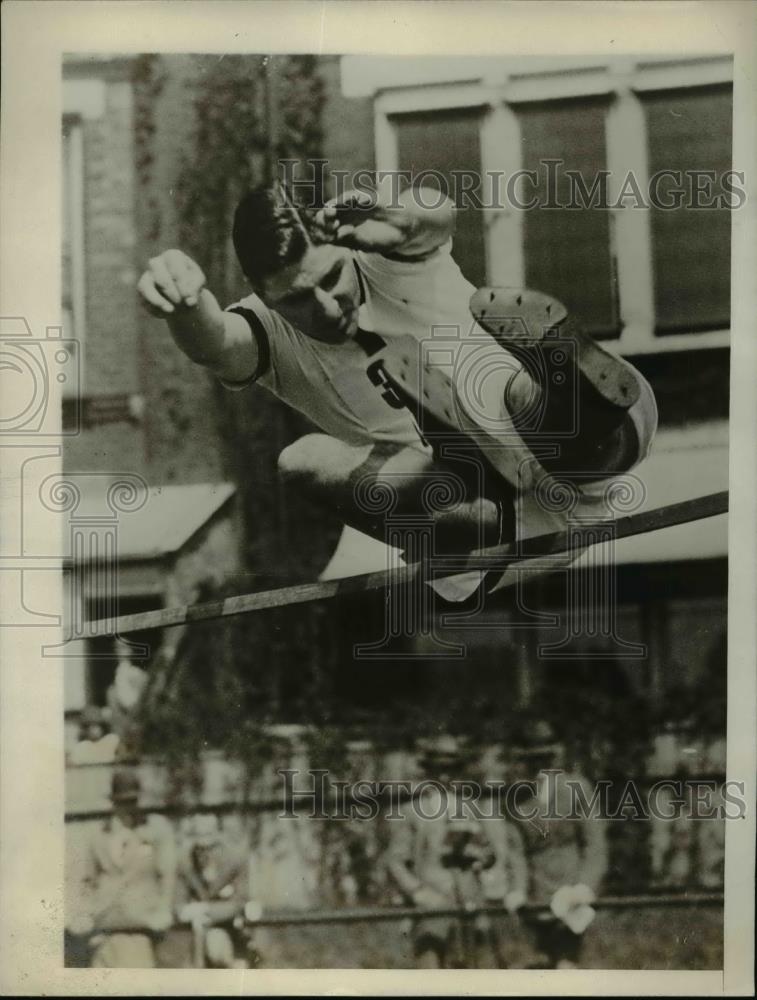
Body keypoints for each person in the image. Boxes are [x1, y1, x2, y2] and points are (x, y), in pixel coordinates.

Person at [137, 181, 656, 592]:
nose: (325, 307)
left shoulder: (383, 255)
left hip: (571, 465)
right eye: (295, 300)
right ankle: (467, 470)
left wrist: (393, 220)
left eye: (331, 279)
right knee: (301, 462)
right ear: (261, 295)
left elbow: (434, 214)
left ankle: (580, 399)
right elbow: (213, 342)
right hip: (479, 534)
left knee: (519, 398)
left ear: (343, 247)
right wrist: (184, 303)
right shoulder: (262, 331)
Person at [385, 735, 520, 968]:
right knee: (433, 978)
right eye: (439, 770)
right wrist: (418, 892)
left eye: (451, 770)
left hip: (470, 905)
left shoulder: (470, 806)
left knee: (483, 975)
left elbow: (489, 852)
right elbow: (394, 861)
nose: (445, 777)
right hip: (432, 907)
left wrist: (483, 857)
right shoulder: (411, 810)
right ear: (428, 772)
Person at [506, 720, 608, 969]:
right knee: (537, 968)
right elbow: (516, 852)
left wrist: (585, 885)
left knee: (567, 966)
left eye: (545, 760)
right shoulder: (516, 800)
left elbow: (595, 844)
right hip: (536, 896)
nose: (539, 768)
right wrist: (517, 891)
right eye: (532, 761)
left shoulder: (577, 789)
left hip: (573, 891)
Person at [69, 768, 176, 968]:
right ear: (113, 802)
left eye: (132, 801)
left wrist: (163, 909)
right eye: (122, 802)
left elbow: (167, 876)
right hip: (105, 923)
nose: (128, 807)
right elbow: (87, 881)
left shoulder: (156, 831)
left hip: (141, 922)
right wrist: (85, 912)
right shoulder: (98, 835)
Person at [175, 812, 257, 969]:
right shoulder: (185, 861)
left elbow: (241, 901)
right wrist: (187, 912)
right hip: (195, 934)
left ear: (219, 835)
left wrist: (205, 910)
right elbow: (177, 904)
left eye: (210, 843)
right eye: (199, 843)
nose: (205, 852)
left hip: (233, 928)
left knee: (220, 951)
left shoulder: (236, 859)